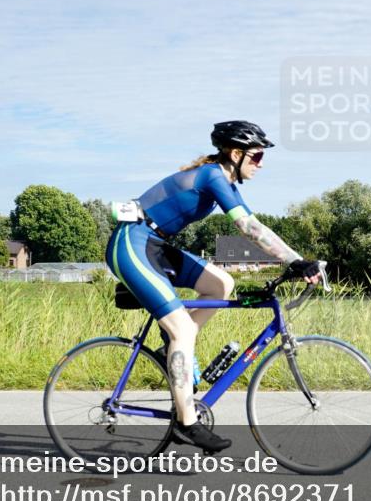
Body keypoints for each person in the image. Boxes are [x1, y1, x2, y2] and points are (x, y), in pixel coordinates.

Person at [106, 121, 323, 453]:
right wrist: (295, 261)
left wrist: (296, 260)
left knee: (222, 284)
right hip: (131, 243)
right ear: (235, 154)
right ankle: (187, 423)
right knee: (182, 330)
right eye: (257, 155)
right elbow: (249, 227)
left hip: (155, 245)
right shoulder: (212, 175)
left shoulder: (224, 180)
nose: (261, 163)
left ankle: (174, 353)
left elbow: (255, 223)